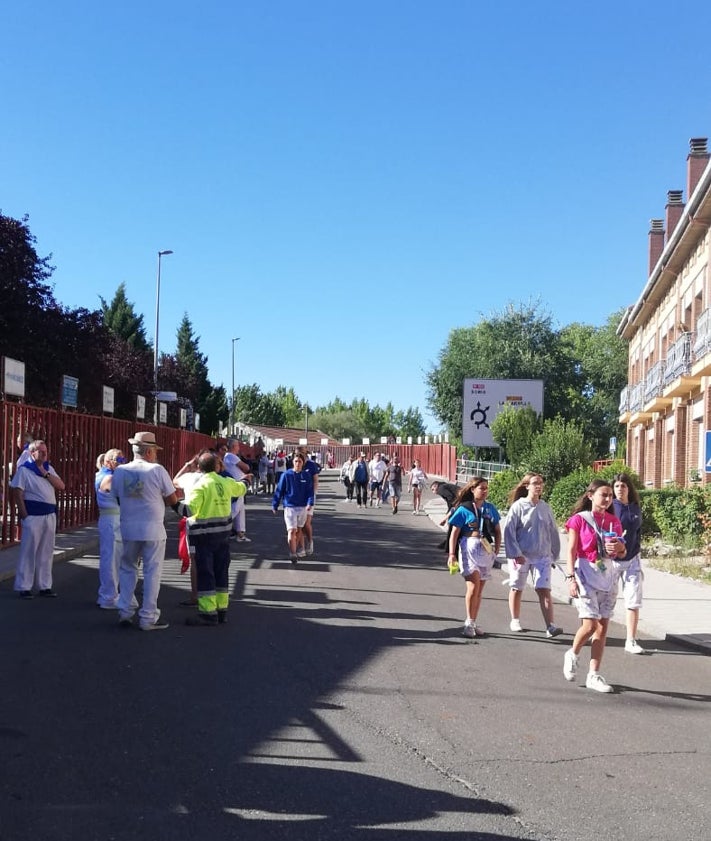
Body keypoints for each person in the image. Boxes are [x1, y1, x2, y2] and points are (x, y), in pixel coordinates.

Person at [563, 478, 627, 693]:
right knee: (590, 624)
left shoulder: (613, 521)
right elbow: (571, 550)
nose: (608, 499)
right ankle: (572, 653)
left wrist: (619, 547)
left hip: (607, 573)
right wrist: (570, 578)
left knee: (602, 627)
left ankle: (594, 674)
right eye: (604, 495)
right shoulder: (579, 520)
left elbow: (622, 552)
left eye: (610, 495)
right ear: (591, 495)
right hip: (585, 572)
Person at [111, 431, 178, 631]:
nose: (156, 454)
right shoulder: (157, 470)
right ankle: (148, 617)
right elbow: (172, 499)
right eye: (155, 450)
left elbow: (116, 497)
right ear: (149, 451)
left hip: (129, 527)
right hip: (153, 528)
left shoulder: (120, 471)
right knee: (152, 572)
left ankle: (125, 610)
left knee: (127, 568)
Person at [182, 452, 249, 626]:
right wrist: (247, 480)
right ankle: (222, 610)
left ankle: (207, 613)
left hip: (203, 537)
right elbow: (241, 488)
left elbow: (188, 511)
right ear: (217, 467)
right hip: (223, 536)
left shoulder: (201, 485)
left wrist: (173, 502)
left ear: (199, 467)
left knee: (206, 573)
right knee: (221, 573)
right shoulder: (225, 482)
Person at [503, 473, 562, 637]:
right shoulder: (518, 506)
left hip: (542, 555)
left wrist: (554, 554)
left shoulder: (545, 507)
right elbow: (509, 530)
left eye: (541, 483)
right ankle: (515, 619)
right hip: (522, 555)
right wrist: (515, 553)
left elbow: (553, 531)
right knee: (517, 587)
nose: (539, 486)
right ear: (527, 486)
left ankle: (550, 626)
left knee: (544, 589)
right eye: (535, 483)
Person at [10, 440, 66, 599]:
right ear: (32, 452)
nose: (44, 454)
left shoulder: (49, 468)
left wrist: (45, 473)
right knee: (29, 551)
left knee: (46, 552)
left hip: (49, 514)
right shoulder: (24, 470)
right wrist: (24, 514)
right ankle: (24, 586)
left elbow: (61, 485)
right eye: (40, 451)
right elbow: (17, 492)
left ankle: (44, 585)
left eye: (45, 451)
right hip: (33, 515)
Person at [447, 477, 502, 638]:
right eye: (481, 488)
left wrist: (497, 549)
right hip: (468, 549)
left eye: (486, 488)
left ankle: (472, 621)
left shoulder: (490, 508)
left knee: (479, 590)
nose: (485, 491)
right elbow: (454, 534)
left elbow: (498, 530)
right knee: (472, 587)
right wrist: (452, 554)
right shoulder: (464, 508)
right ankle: (469, 624)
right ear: (472, 489)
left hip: (485, 551)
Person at [612, 472, 645, 654]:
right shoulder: (610, 507)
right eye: (616, 486)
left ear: (628, 489)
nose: (619, 489)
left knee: (633, 600)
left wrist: (637, 550)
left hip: (632, 558)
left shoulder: (635, 508)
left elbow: (638, 532)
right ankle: (596, 631)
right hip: (613, 560)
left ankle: (630, 640)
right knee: (606, 599)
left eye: (623, 486)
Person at [95, 448, 128, 609]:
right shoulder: (108, 477)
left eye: (123, 460)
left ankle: (110, 593)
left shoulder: (109, 475)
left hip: (114, 519)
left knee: (115, 558)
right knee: (111, 558)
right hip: (111, 519)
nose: (123, 463)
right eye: (119, 460)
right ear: (108, 462)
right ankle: (108, 596)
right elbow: (125, 494)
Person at [272, 452, 314, 564]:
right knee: (292, 530)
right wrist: (275, 505)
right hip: (290, 507)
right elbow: (279, 490)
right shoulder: (286, 475)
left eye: (300, 462)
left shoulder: (306, 476)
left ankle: (296, 548)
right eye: (296, 461)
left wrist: (310, 503)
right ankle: (293, 553)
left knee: (299, 530)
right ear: (292, 462)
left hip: (302, 507)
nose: (297, 464)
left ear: (303, 463)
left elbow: (310, 492)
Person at [223, 439, 252, 541]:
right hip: (237, 485)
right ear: (233, 446)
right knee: (235, 508)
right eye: (237, 446)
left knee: (240, 509)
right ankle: (223, 525)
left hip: (237, 483)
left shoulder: (228, 457)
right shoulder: (231, 456)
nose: (239, 448)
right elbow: (246, 467)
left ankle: (240, 533)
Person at [296, 445, 322, 554]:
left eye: (300, 453)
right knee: (299, 524)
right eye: (297, 453)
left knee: (306, 523)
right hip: (298, 496)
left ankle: (310, 541)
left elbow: (315, 480)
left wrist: (314, 493)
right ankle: (301, 548)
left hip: (309, 496)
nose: (298, 456)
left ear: (305, 453)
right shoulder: (296, 463)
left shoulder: (311, 465)